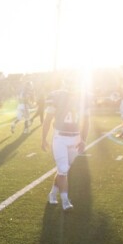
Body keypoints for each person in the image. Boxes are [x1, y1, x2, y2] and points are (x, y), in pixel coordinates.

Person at [42, 79, 89, 211]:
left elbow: (86, 122)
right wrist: (43, 138)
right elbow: (48, 119)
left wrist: (83, 139)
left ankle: (52, 194)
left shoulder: (84, 98)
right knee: (63, 170)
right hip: (60, 138)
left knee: (63, 170)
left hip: (75, 138)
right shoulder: (57, 96)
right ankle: (65, 201)